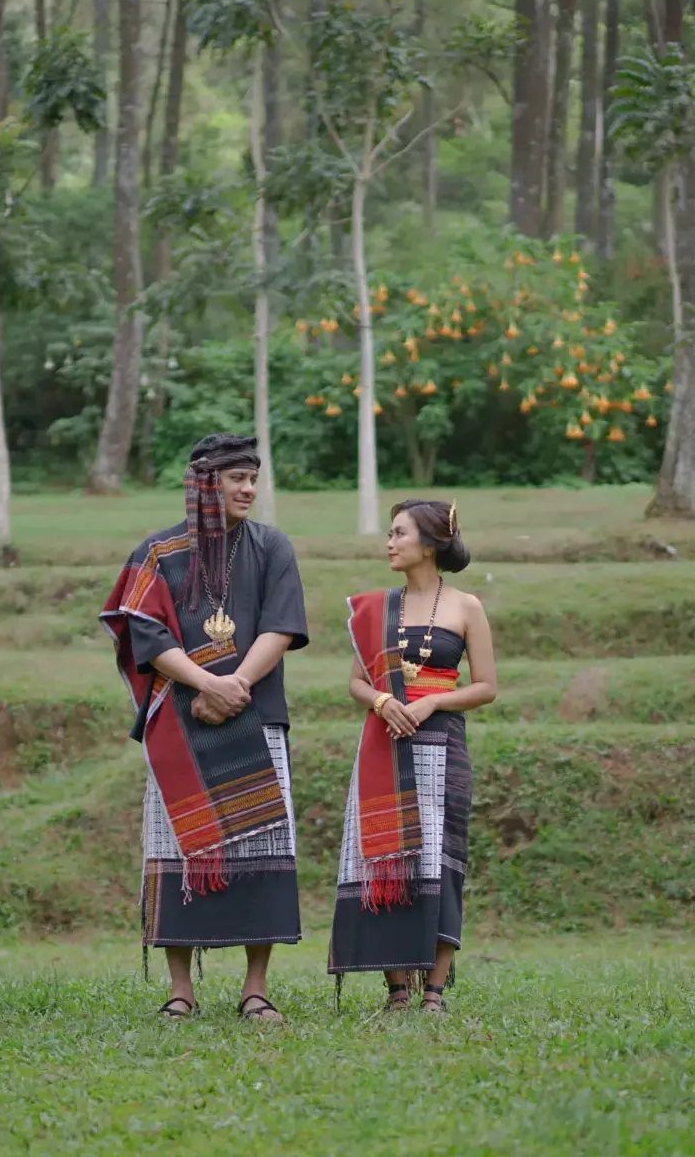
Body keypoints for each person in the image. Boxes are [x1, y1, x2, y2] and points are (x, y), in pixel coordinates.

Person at [100, 434, 309, 1023]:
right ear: (204, 483)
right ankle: (180, 991)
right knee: (174, 851)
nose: (249, 489)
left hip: (256, 712)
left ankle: (255, 989)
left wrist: (234, 684)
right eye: (237, 478)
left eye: (253, 478)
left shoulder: (272, 546)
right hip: (179, 723)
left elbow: (280, 626)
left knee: (263, 849)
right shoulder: (158, 552)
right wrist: (205, 685)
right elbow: (147, 635)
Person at [329, 499, 497, 1013]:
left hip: (443, 747)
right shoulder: (377, 609)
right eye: (390, 533)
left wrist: (433, 703)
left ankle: (434, 993)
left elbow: (486, 687)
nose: (389, 543)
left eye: (399, 533)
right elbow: (357, 683)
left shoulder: (466, 607)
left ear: (429, 543)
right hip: (385, 744)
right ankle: (397, 991)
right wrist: (384, 702)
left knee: (440, 862)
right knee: (387, 859)